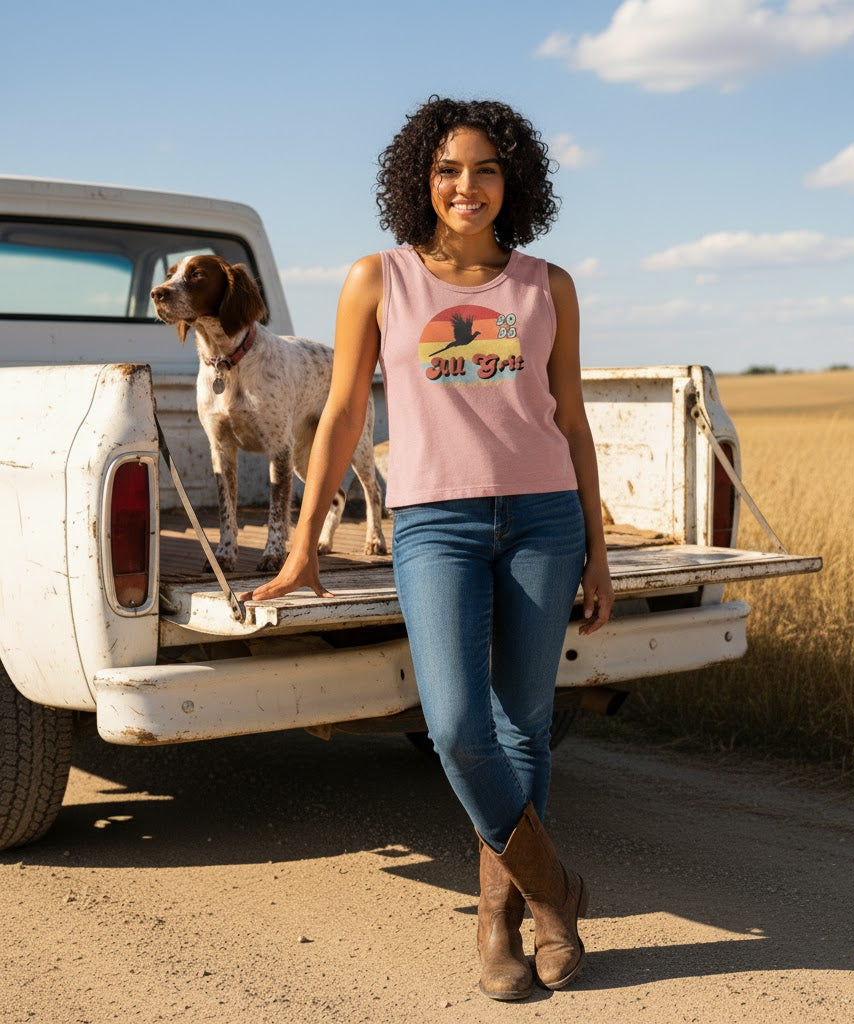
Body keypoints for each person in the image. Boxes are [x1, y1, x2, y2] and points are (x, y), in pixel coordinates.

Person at [243, 95, 614, 1001]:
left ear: (511, 180)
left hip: (543, 519)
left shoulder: (546, 285)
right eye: (449, 169)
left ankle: (498, 922)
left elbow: (570, 421)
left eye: (486, 169)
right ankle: (554, 891)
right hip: (435, 522)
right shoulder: (380, 279)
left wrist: (597, 550)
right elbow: (338, 415)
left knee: (524, 725)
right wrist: (305, 549)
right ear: (422, 179)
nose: (467, 186)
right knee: (454, 725)